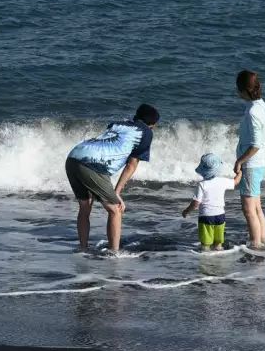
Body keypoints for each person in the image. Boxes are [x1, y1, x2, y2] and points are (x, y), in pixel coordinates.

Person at [65, 103, 159, 253]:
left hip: (73, 157)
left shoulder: (118, 124)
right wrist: (117, 192)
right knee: (115, 209)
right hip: (92, 163)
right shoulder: (146, 133)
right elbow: (131, 165)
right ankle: (114, 252)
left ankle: (83, 248)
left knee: (85, 205)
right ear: (152, 124)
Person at [233, 70, 265, 249]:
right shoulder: (263, 106)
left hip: (251, 165)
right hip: (260, 163)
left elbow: (256, 144)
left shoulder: (252, 112)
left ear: (244, 90)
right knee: (256, 207)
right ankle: (262, 240)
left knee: (248, 209)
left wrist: (240, 161)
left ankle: (256, 246)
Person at [181, 152, 242, 251]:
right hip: (220, 216)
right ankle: (219, 261)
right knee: (218, 243)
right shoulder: (222, 181)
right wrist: (240, 172)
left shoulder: (202, 184)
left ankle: (207, 262)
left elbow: (196, 203)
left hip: (206, 217)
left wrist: (186, 211)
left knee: (205, 245)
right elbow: (236, 182)